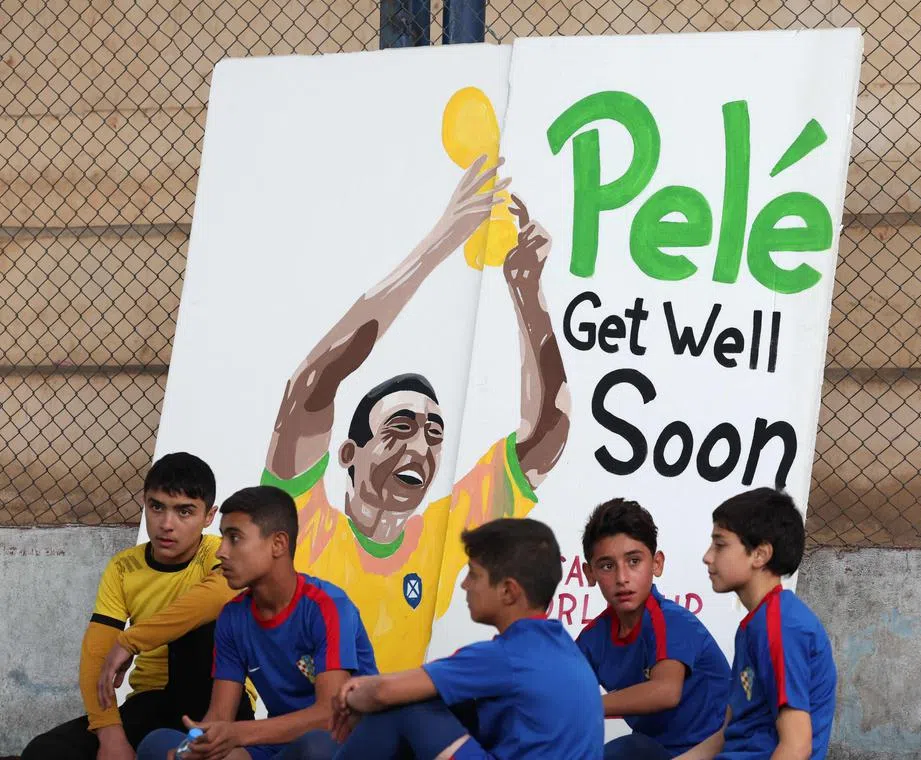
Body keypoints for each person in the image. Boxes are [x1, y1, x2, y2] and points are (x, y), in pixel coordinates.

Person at [261, 159, 570, 671]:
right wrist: (441, 243)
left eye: (434, 434)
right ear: (348, 453)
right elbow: (313, 384)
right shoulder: (301, 523)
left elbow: (548, 432)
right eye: (400, 427)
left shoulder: (442, 537)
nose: (420, 447)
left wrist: (528, 293)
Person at [22, 452, 253, 760]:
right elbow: (97, 653)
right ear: (145, 503)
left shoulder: (220, 553)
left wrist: (131, 640)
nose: (166, 524)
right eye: (157, 507)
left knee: (204, 627)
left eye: (184, 512)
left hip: (214, 702)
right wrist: (109, 734)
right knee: (45, 751)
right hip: (152, 700)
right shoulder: (123, 567)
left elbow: (215, 597)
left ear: (209, 516)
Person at [136, 485, 377, 760]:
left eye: (235, 538)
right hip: (273, 745)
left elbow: (328, 715)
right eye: (223, 538)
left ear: (278, 544)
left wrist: (236, 733)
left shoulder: (327, 606)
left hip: (344, 742)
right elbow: (219, 717)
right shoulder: (233, 617)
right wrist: (194, 745)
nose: (221, 552)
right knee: (157, 745)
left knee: (316, 749)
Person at [329, 518, 603, 759]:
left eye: (474, 574)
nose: (465, 584)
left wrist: (349, 695)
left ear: (508, 591)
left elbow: (383, 691)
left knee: (410, 707)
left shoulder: (507, 656)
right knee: (454, 706)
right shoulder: (562, 646)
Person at [575, 498, 730, 759]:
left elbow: (666, 692)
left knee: (629, 750)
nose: (622, 578)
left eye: (633, 561)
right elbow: (561, 690)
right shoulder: (593, 639)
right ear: (590, 574)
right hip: (657, 751)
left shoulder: (670, 621)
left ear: (656, 564)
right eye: (607, 566)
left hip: (716, 751)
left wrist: (585, 705)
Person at [691, 488, 837, 759]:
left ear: (760, 555)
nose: (707, 557)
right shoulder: (754, 626)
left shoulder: (782, 627)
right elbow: (727, 733)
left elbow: (796, 746)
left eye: (720, 544)